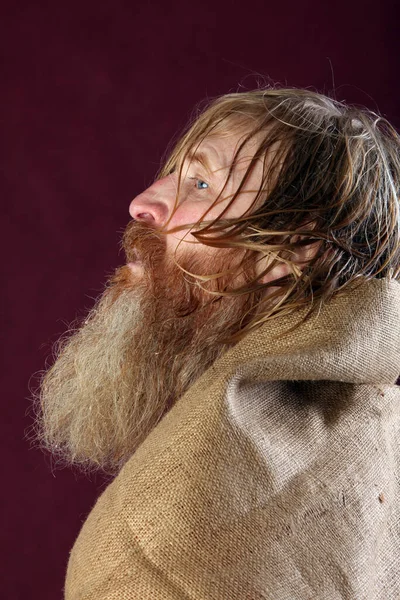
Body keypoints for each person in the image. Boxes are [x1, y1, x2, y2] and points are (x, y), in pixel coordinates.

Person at [35, 87, 400, 599]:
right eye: (177, 174)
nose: (143, 203)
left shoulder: (176, 524)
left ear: (289, 252)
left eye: (201, 183)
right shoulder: (375, 422)